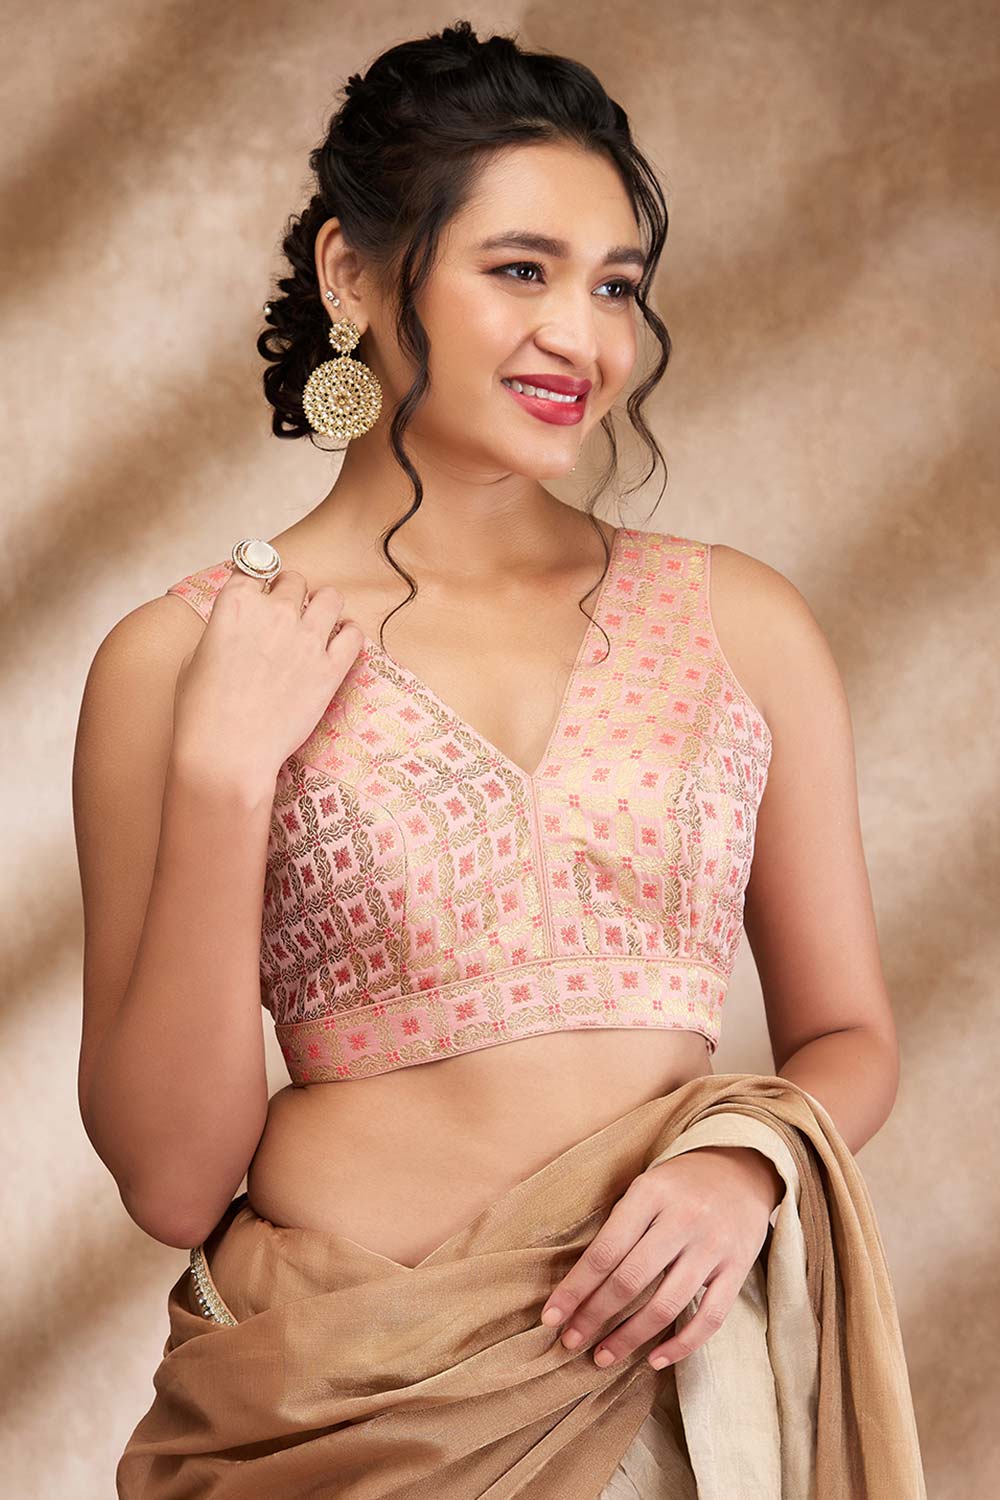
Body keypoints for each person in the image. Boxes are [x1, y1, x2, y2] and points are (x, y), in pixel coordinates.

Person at [72, 20, 926, 1497]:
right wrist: (224, 777)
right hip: (334, 1402)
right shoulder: (180, 657)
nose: (582, 340)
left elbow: (848, 1033)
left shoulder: (739, 622)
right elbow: (170, 1179)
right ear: (353, 275)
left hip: (667, 1389)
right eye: (521, 270)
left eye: (615, 287)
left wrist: (743, 1164)